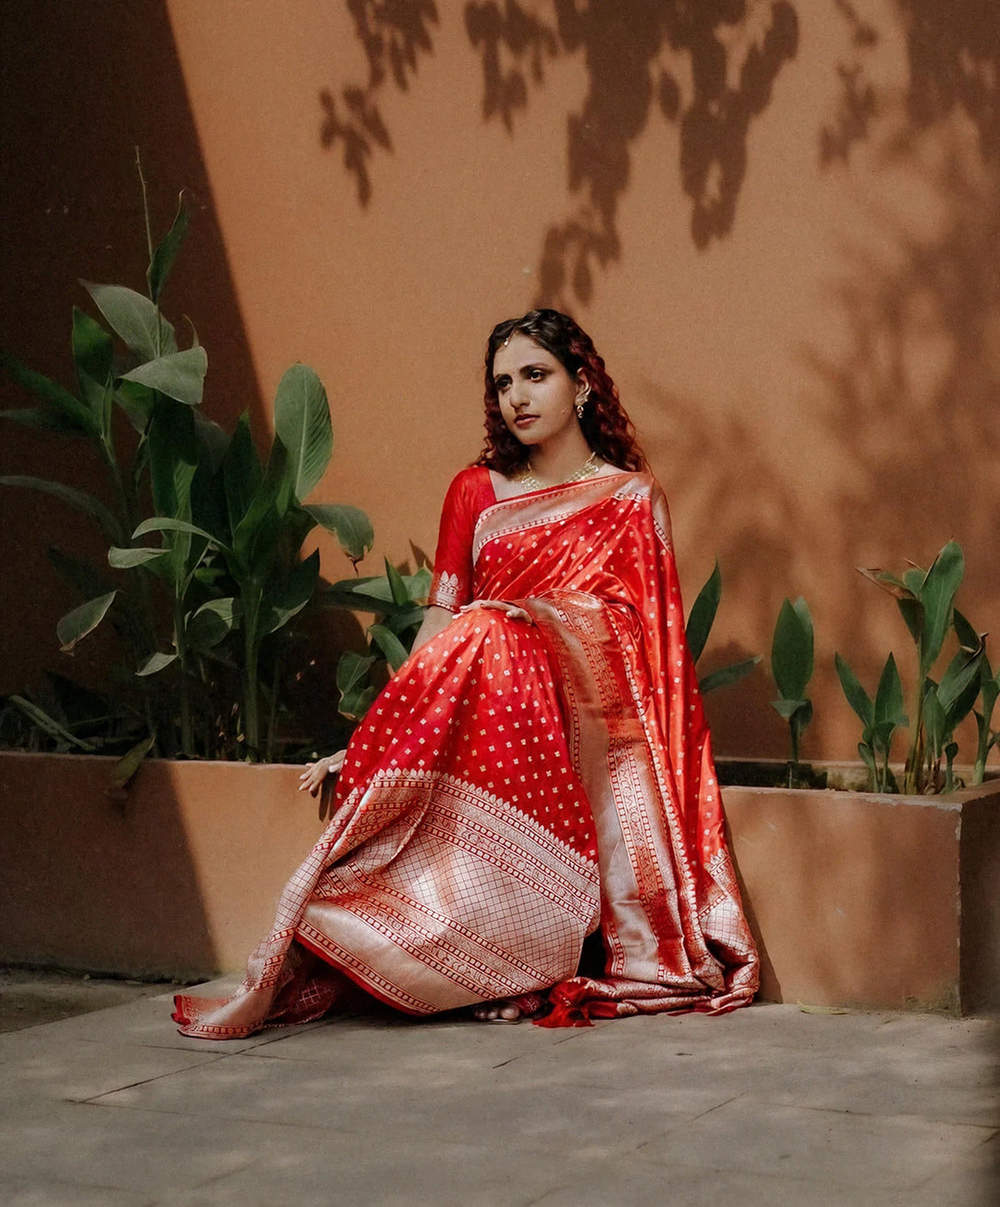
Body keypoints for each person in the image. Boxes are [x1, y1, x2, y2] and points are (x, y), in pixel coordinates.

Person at [172, 309, 758, 1038]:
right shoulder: (475, 492)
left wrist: (540, 622)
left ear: (581, 385)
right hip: (490, 701)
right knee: (485, 627)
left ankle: (521, 957)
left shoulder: (632, 499)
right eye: (503, 383)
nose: (517, 396)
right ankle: (452, 954)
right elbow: (441, 628)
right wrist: (374, 736)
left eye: (535, 376)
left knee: (494, 625)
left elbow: (650, 644)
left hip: (586, 710)